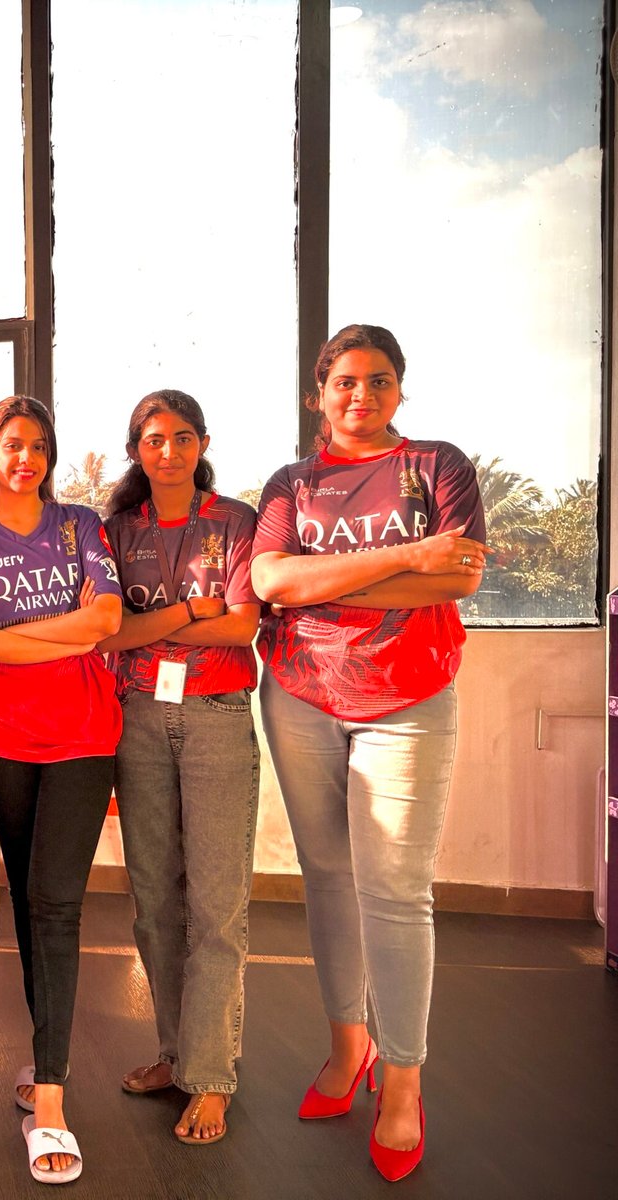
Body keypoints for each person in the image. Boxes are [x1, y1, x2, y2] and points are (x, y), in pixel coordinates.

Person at [250, 324, 486, 1182]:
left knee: (395, 892)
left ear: (400, 390)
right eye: (344, 381)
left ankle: (403, 1083)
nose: (361, 394)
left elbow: (459, 578)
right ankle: (349, 1050)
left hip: (409, 698)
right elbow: (272, 582)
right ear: (319, 393)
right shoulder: (292, 483)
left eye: (379, 380)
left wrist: (329, 576)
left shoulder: (437, 467)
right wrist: (409, 557)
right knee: (327, 876)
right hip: (300, 695)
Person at [0, 395, 123, 1186]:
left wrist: (15, 638)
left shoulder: (80, 526)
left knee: (55, 904)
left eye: (39, 446)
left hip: (84, 732)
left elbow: (107, 620)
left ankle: (49, 1099)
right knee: (29, 901)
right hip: (2, 738)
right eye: (13, 445)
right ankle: (45, 1058)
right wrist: (60, 632)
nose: (27, 458)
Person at [97, 390, 262, 1146]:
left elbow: (241, 624)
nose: (169, 451)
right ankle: (176, 1053)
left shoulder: (235, 521)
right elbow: (108, 634)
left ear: (202, 445)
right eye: (154, 439)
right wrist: (191, 613)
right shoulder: (115, 532)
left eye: (183, 437)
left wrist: (151, 627)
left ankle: (212, 1077)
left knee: (216, 906)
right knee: (155, 903)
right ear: (137, 449)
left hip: (217, 714)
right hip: (136, 717)